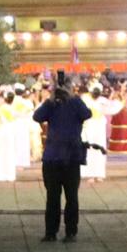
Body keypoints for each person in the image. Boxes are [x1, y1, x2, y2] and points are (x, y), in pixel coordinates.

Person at [32, 74, 94, 243]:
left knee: (58, 196)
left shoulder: (60, 104)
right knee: (66, 196)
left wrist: (57, 100)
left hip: (57, 157)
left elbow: (37, 116)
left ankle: (55, 232)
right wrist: (63, 99)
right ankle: (66, 232)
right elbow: (87, 114)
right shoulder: (68, 103)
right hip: (66, 157)